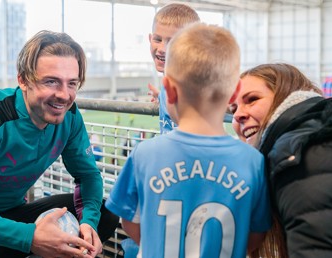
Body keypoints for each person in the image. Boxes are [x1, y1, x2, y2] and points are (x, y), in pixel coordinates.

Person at [0, 30, 119, 258]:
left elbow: (88, 175)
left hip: (10, 214)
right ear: (23, 80)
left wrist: (88, 224)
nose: (64, 95)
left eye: (72, 83)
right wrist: (29, 237)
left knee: (105, 213)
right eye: (51, 81)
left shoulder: (70, 117)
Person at [106, 22, 272, 257]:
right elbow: (255, 235)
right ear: (235, 93)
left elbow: (129, 222)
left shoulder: (145, 154)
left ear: (168, 91)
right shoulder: (252, 161)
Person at [229, 63, 332, 258]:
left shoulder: (302, 152)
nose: (237, 115)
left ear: (284, 95)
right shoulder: (314, 134)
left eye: (252, 99)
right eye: (233, 109)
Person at [146, 2, 200, 134]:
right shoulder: (169, 83)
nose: (162, 49)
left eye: (172, 42)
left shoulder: (196, 84)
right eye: (157, 40)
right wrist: (162, 96)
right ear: (149, 39)